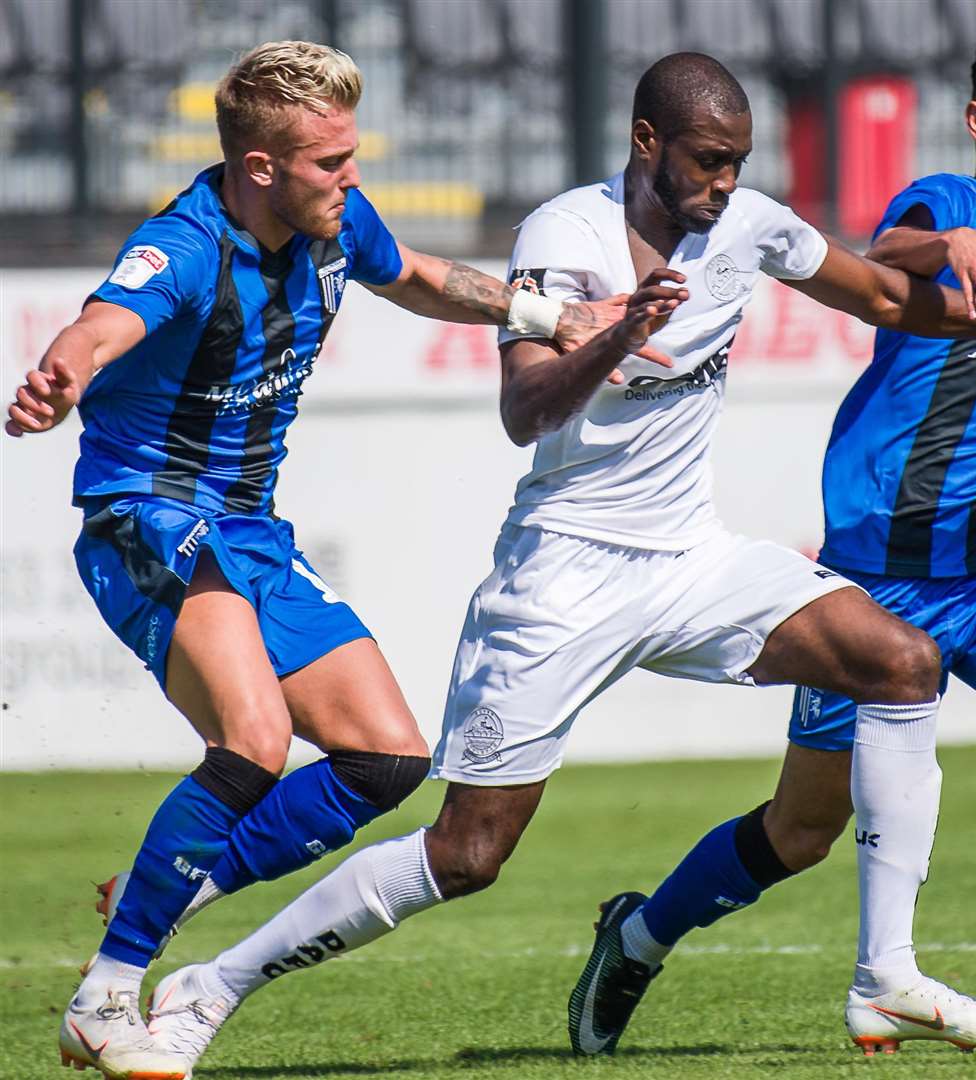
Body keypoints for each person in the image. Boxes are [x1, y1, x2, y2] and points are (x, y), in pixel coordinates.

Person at [134, 51, 976, 1074]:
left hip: (688, 557)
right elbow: (522, 411)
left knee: (897, 662)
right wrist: (615, 330)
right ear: (645, 143)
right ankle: (211, 986)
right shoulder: (564, 234)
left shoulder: (748, 223)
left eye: (736, 163)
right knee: (467, 853)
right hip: (562, 577)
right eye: (707, 162)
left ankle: (883, 974)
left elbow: (885, 297)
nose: (722, 185)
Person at [567, 24, 976, 1060]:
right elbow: (884, 257)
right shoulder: (941, 207)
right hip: (875, 584)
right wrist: (949, 249)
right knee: (799, 833)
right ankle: (638, 935)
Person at [4, 41, 639, 1080]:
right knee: (254, 740)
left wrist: (553, 316)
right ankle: (107, 994)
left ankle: (179, 885)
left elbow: (424, 280)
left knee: (384, 758)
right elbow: (103, 322)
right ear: (262, 168)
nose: (352, 179)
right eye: (330, 162)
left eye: (351, 156)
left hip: (247, 529)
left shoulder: (336, 221)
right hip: (149, 517)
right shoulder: (189, 244)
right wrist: (55, 380)